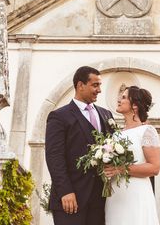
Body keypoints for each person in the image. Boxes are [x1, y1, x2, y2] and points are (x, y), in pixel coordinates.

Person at [45, 66, 114, 225]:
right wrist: (65, 191)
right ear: (80, 85)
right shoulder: (59, 116)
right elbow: (54, 157)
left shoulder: (106, 115)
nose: (99, 90)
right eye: (95, 85)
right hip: (71, 199)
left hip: (100, 200)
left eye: (100, 85)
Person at [103, 85, 160, 224]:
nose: (118, 100)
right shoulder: (116, 134)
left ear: (134, 106)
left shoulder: (146, 131)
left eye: (123, 97)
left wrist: (120, 169)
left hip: (136, 193)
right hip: (115, 196)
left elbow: (154, 168)